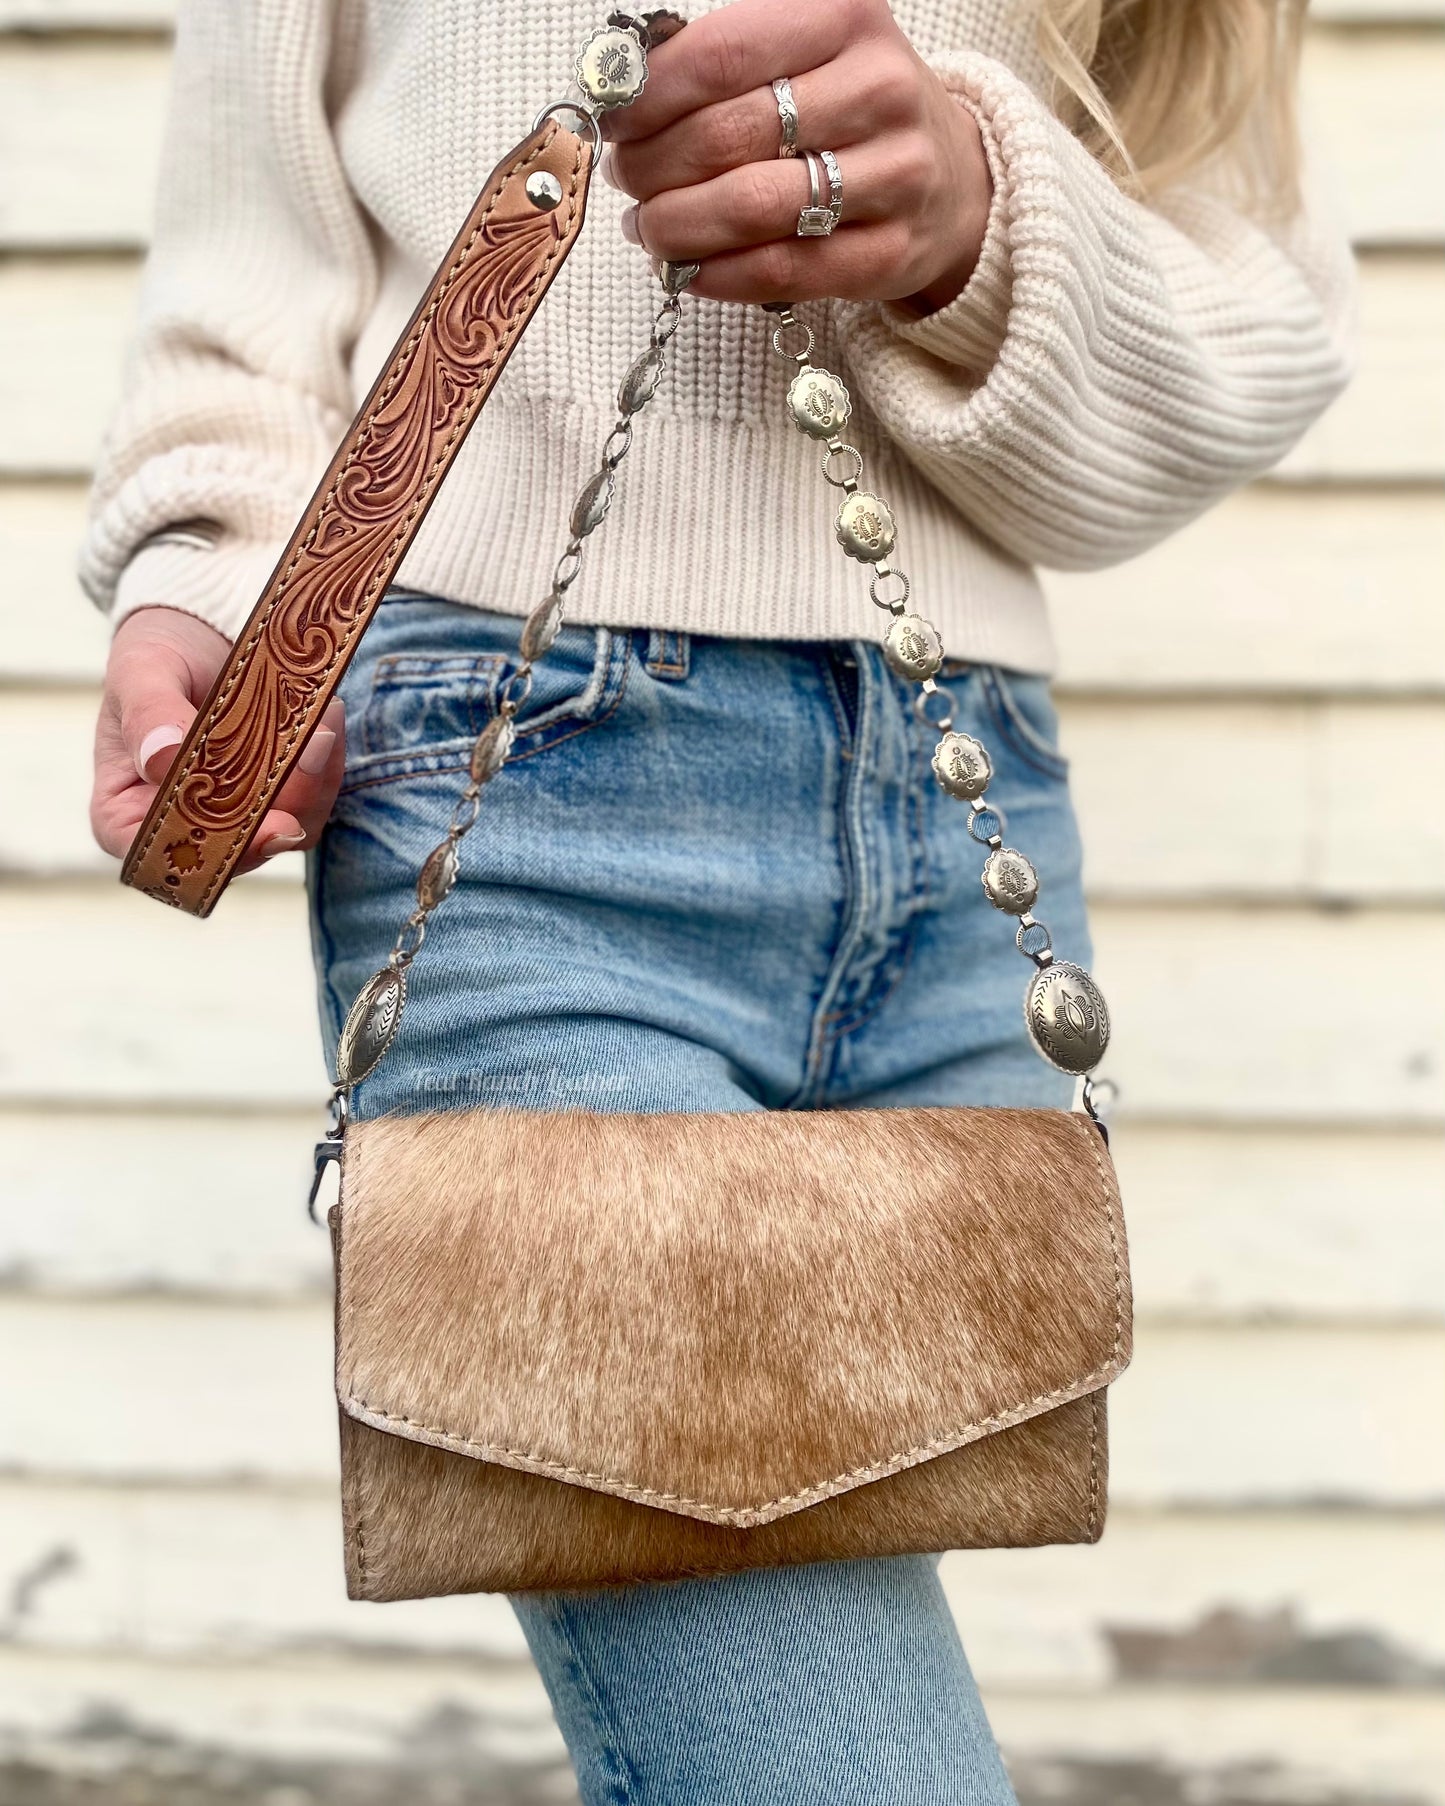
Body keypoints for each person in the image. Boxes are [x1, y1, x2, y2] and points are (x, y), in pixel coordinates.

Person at [83, 1, 1352, 1800]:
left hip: (961, 799)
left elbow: (1257, 331)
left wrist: (986, 219)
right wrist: (216, 571)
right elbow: (247, 271)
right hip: (525, 802)